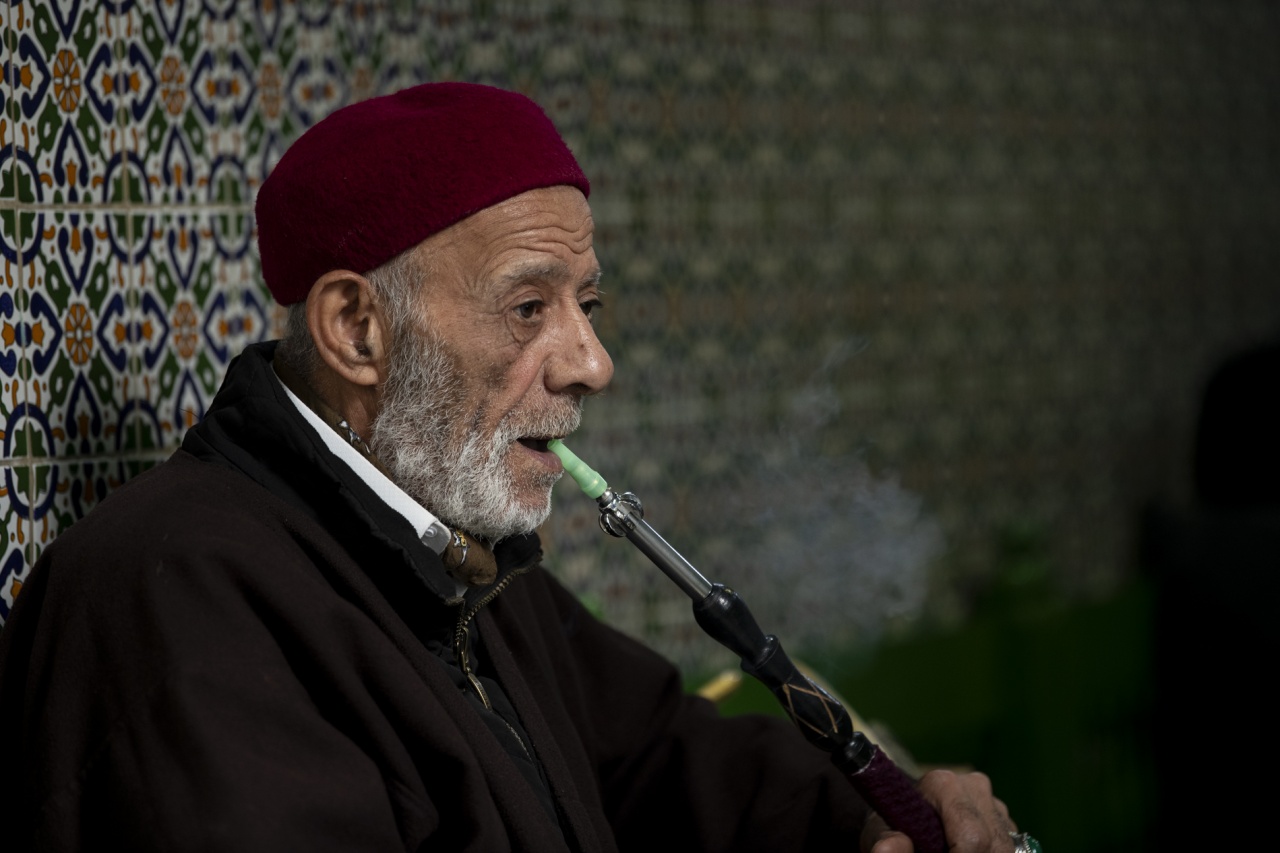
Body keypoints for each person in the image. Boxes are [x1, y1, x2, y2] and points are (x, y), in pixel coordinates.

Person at [0, 83, 1021, 852]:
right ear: (357, 330)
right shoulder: (179, 597)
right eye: (529, 307)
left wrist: (864, 816)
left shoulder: (459, 560)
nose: (592, 364)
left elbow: (653, 759)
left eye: (588, 306)